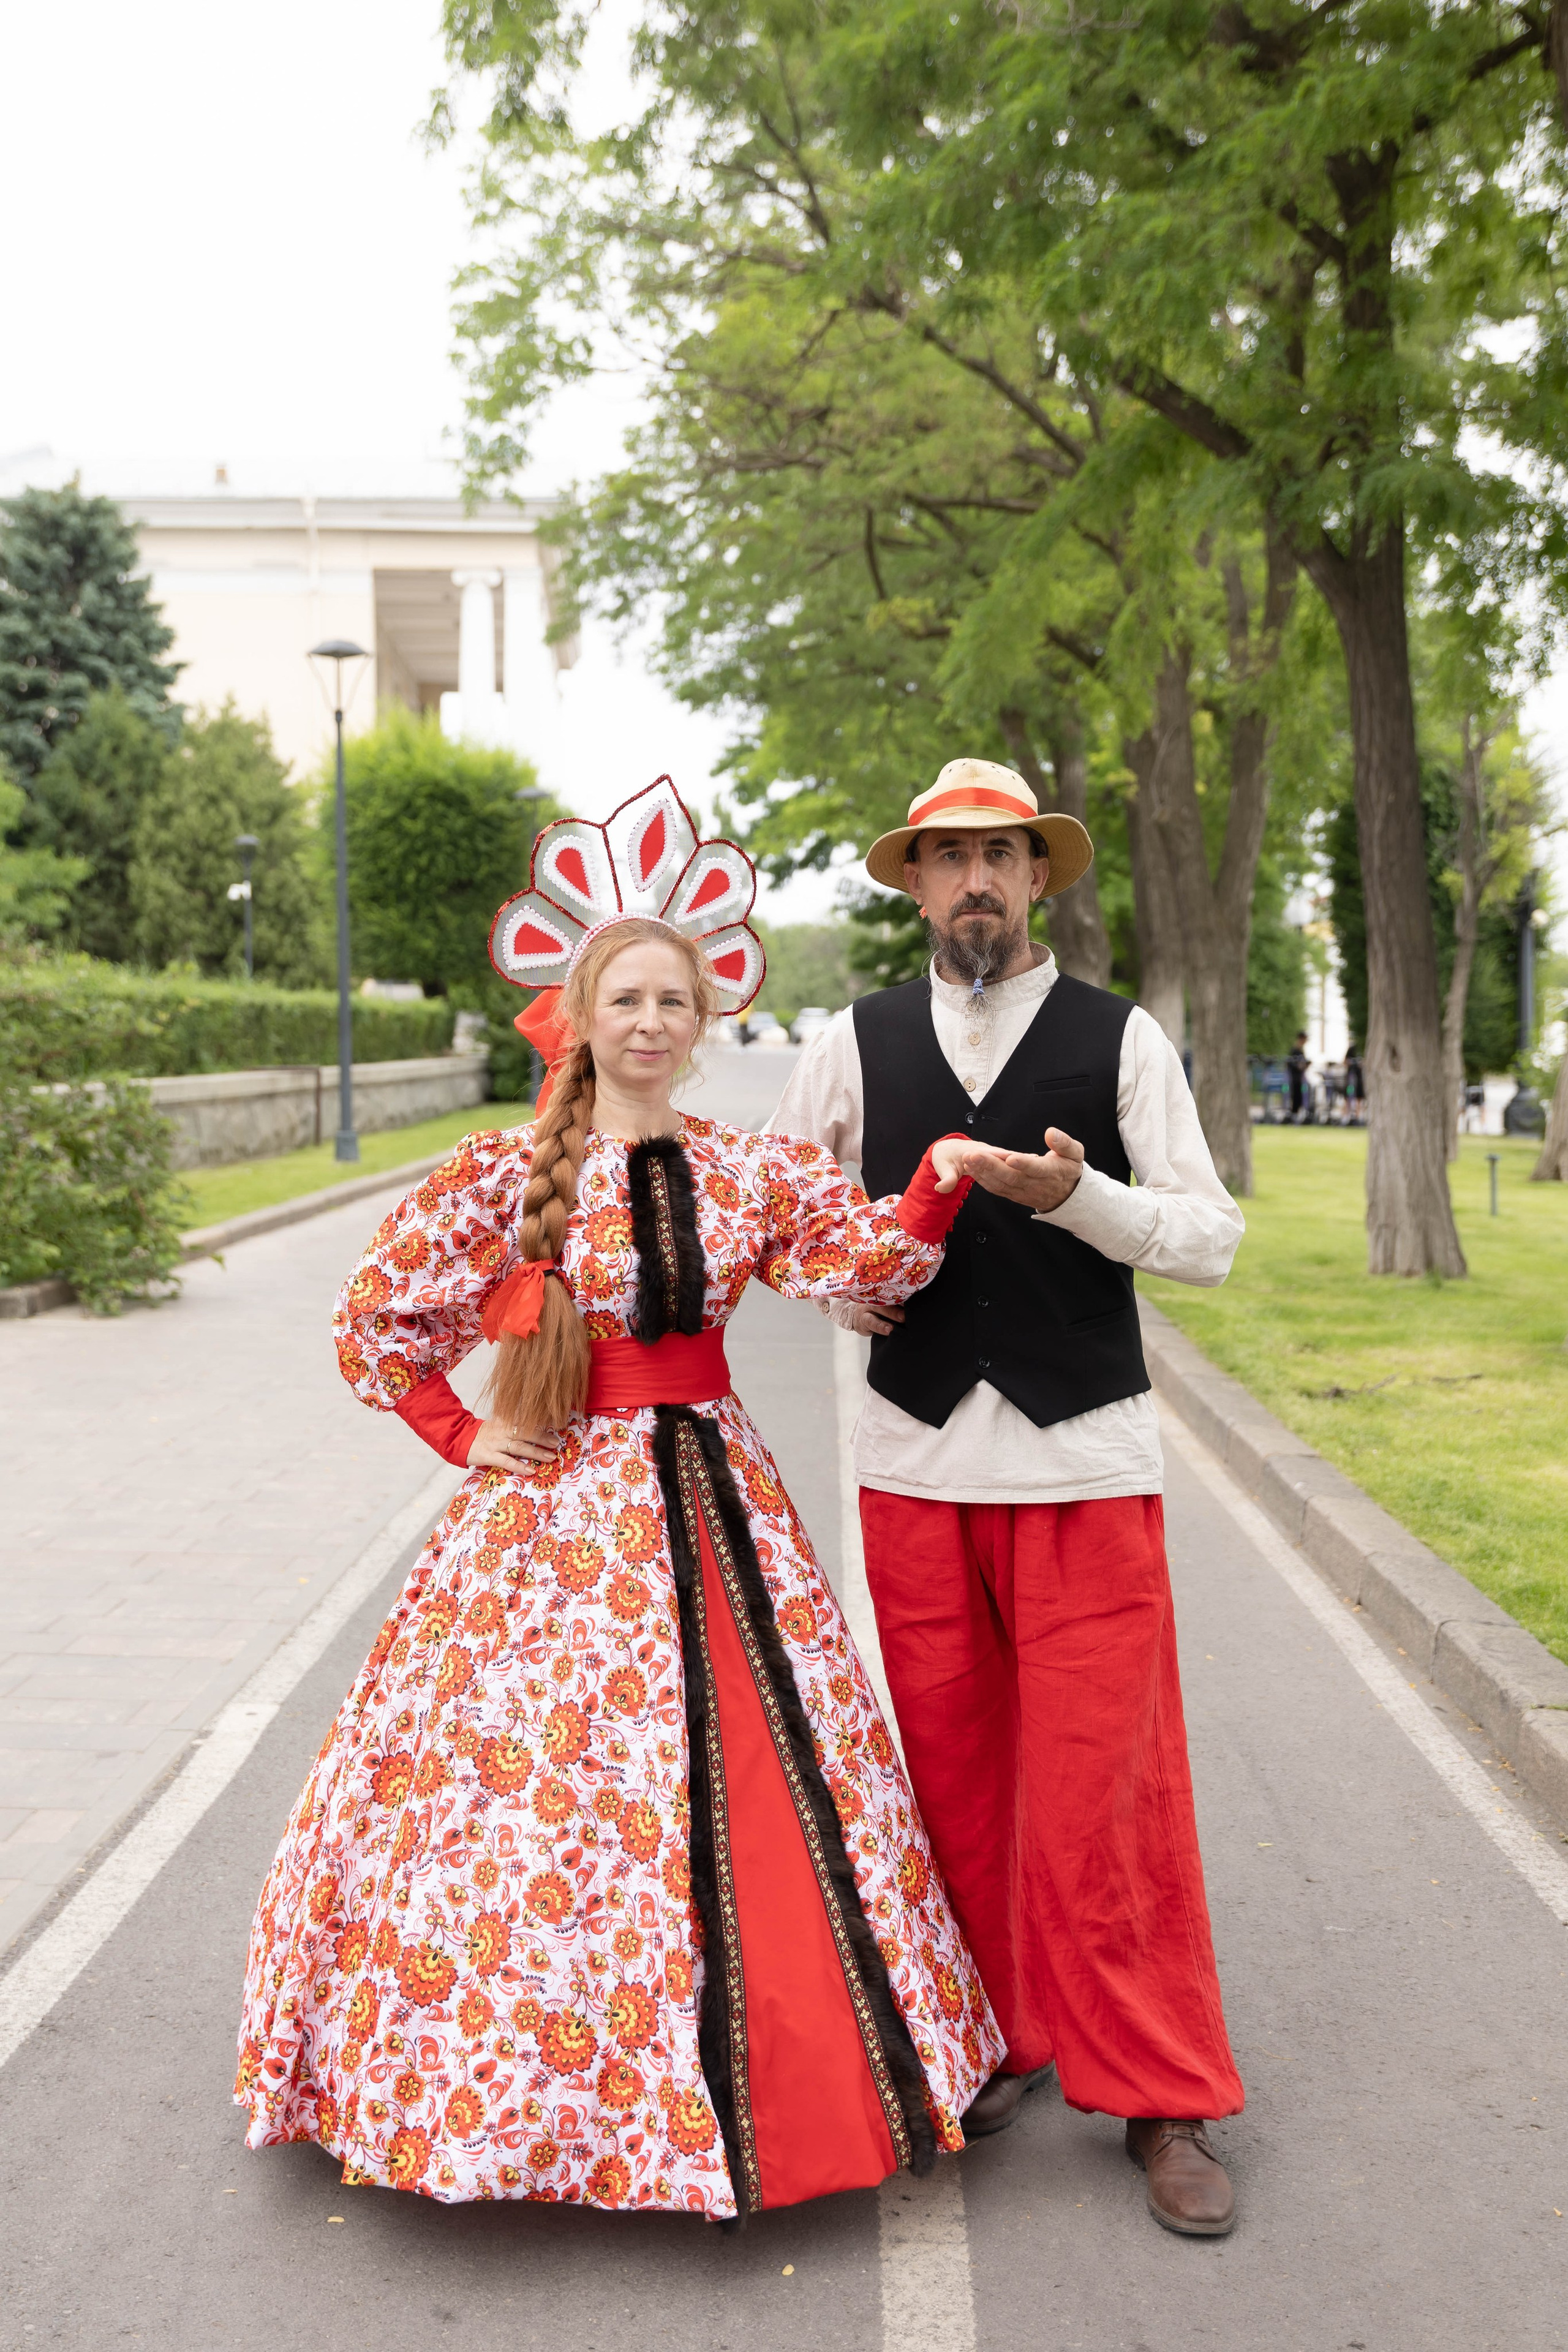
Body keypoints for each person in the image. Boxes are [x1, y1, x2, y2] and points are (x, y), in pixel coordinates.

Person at [236, 779, 1005, 2223]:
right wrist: (460, 1431)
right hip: (554, 1525)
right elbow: (372, 1317)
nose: (649, 1021)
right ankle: (525, 2109)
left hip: (720, 1495)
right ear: (580, 1016)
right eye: (625, 999)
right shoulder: (500, 1175)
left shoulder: (747, 1169)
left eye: (672, 999)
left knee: (762, 1778)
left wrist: (934, 1189)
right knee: (536, 1807)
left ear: (700, 1021)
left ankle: (785, 2085)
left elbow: (866, 1274)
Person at [770, 758, 1247, 2237]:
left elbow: (1208, 1237)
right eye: (948, 857)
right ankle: (981, 2036)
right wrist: (837, 1288)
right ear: (911, 881)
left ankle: (1158, 2089)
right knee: (948, 1784)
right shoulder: (847, 1041)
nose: (975, 879)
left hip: (1081, 1463)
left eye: (1001, 856)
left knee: (1110, 1790)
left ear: (1041, 877)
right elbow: (785, 1224)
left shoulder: (1118, 1036)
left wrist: (1076, 1199)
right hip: (910, 1467)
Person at [1286, 1030, 1312, 1122]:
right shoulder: (1295, 1051)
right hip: (1295, 1078)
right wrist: (1299, 1066)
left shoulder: (1301, 1051)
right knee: (1296, 1095)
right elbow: (1292, 1064)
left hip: (1300, 1077)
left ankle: (1299, 1113)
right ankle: (1294, 1114)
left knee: (1301, 1094)